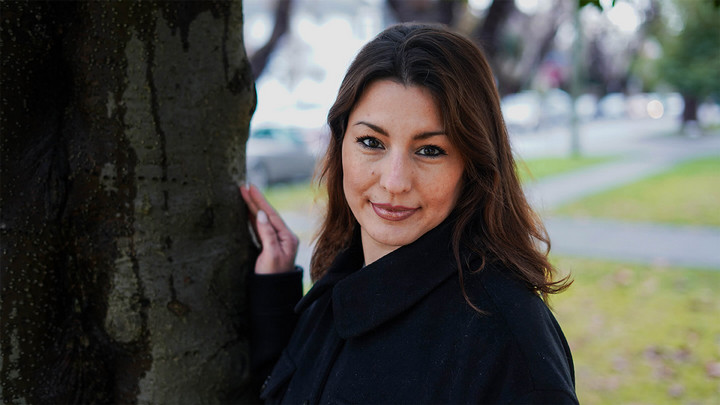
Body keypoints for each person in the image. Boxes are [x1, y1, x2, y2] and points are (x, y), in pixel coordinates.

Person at [241, 23, 578, 404]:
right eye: (371, 142)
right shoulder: (338, 288)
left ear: (474, 164)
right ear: (340, 146)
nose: (395, 181)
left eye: (430, 150)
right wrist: (274, 298)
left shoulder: (509, 343)